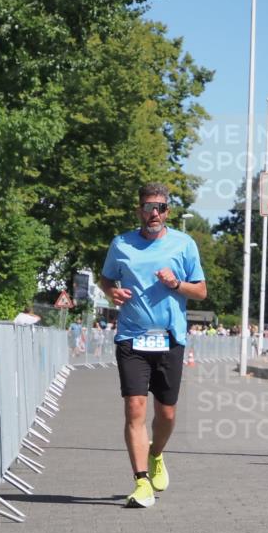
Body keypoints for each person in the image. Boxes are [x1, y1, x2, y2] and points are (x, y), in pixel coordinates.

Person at [100, 182, 206, 508]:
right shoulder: (121, 244)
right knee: (134, 409)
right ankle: (141, 481)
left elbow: (201, 292)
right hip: (131, 336)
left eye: (160, 207)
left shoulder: (184, 245)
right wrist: (110, 292)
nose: (154, 213)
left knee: (168, 413)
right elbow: (106, 278)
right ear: (139, 210)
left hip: (170, 337)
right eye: (148, 207)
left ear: (167, 212)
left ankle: (156, 453)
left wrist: (176, 284)